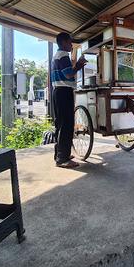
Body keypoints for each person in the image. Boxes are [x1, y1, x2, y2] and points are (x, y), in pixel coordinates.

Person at [51, 32, 86, 168]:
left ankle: (60, 154)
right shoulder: (63, 56)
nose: (71, 45)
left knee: (60, 124)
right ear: (64, 42)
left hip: (58, 92)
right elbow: (68, 73)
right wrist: (79, 64)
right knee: (66, 125)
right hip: (64, 92)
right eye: (70, 42)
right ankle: (63, 159)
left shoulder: (57, 55)